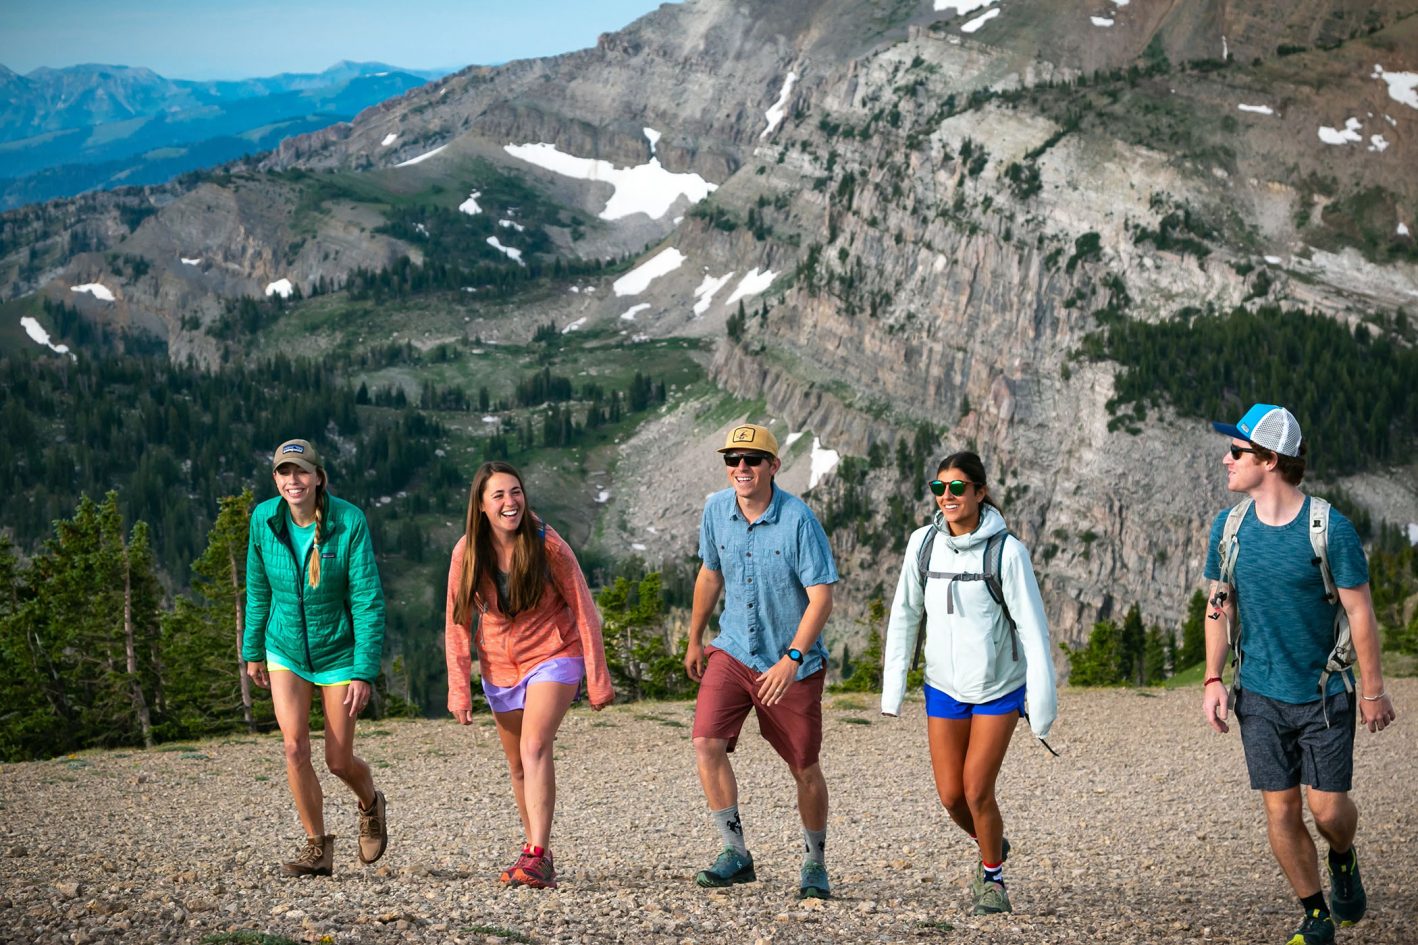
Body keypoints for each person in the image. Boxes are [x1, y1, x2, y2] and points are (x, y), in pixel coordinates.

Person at [1202, 404, 1397, 945]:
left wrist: (1373, 691)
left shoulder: (1329, 528)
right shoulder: (1229, 527)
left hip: (1323, 692)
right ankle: (1315, 915)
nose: (1227, 460)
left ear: (1269, 459)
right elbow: (1219, 604)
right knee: (1281, 808)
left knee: (1328, 809)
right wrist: (1213, 679)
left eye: (1236, 451)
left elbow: (1361, 612)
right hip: (1258, 694)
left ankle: (1342, 856)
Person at [880, 449, 1057, 916]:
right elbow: (905, 615)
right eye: (939, 488)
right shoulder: (922, 545)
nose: (947, 496)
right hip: (943, 686)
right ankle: (993, 841)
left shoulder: (1008, 552)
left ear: (980, 492)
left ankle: (993, 878)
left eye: (957, 487)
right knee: (951, 796)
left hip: (998, 688)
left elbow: (1033, 630)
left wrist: (1042, 706)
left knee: (977, 790)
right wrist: (892, 691)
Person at [683, 423, 839, 899]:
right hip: (732, 649)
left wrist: (793, 658)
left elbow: (821, 598)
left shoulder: (799, 520)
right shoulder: (715, 509)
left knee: (804, 766)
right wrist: (694, 638)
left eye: (752, 460)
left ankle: (815, 861)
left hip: (791, 663)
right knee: (707, 743)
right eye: (733, 459)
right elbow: (710, 574)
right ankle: (736, 853)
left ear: (773, 465)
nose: (742, 467)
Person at [445, 461, 614, 890]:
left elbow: (584, 609)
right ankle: (537, 852)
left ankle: (536, 853)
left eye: (515, 492)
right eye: (498, 495)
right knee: (518, 763)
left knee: (535, 745)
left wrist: (597, 678)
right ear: (481, 506)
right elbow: (457, 623)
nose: (510, 502)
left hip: (555, 652)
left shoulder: (547, 545)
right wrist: (459, 689)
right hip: (499, 666)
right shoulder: (466, 553)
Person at [243, 438, 388, 877]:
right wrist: (252, 649)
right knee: (294, 747)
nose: (294, 480)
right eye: (285, 473)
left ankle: (370, 802)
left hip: (338, 652)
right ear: (276, 480)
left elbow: (366, 599)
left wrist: (364, 670)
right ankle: (316, 847)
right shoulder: (264, 520)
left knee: (338, 760)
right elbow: (258, 587)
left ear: (319, 477)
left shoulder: (349, 521)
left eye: (302, 471)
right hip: (284, 647)